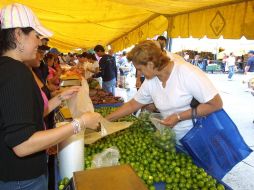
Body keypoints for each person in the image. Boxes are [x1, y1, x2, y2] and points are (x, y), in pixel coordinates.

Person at [0, 3, 101, 189]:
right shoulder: (16, 73)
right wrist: (80, 123)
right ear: (18, 35)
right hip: (22, 179)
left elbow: (25, 114)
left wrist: (60, 98)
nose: (40, 43)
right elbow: (22, 145)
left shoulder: (9, 69)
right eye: (36, 36)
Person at [106, 40, 222, 144]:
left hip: (198, 139)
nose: (139, 73)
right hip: (174, 140)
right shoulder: (151, 81)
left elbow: (216, 104)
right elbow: (133, 104)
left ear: (150, 65)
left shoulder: (186, 73)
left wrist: (178, 117)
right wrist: (105, 120)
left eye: (140, 69)